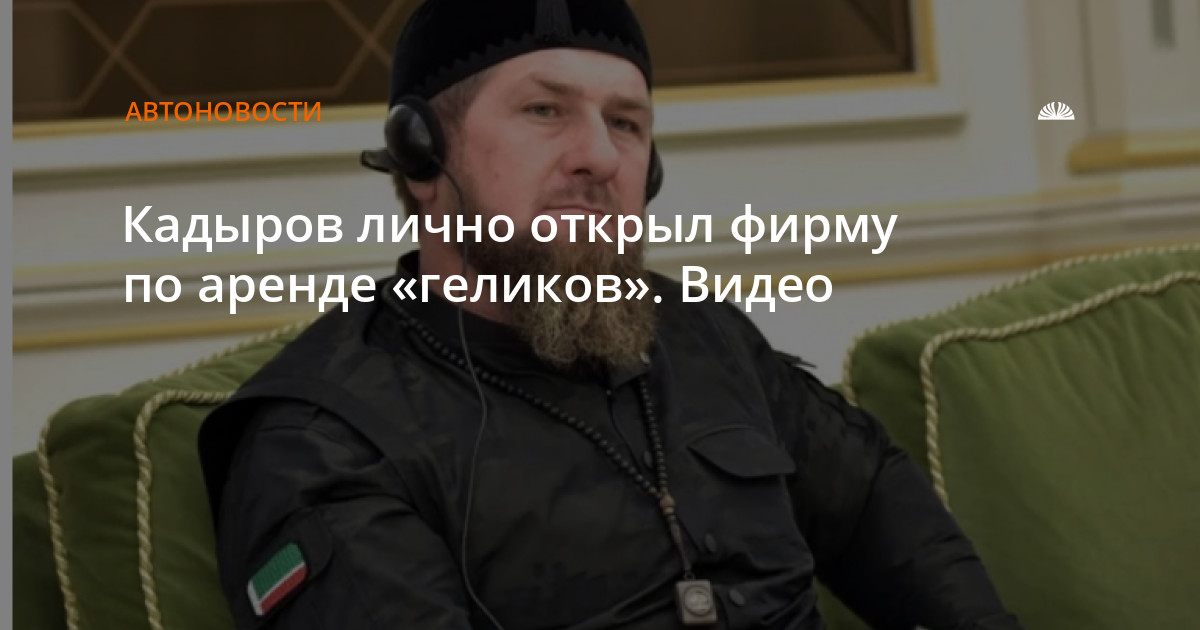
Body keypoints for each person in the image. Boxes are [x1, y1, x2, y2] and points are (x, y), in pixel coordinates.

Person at [196, 1, 1023, 629]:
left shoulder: (703, 336)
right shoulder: (321, 439)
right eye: (545, 111)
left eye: (625, 123)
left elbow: (873, 499)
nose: (599, 156)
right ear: (423, 157)